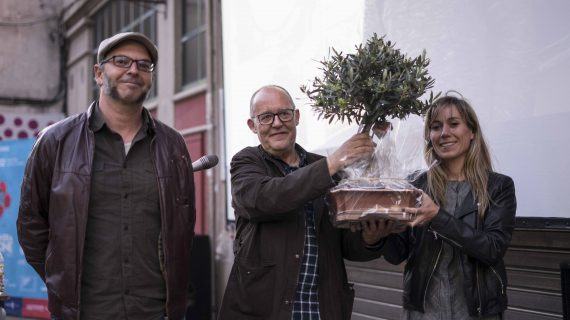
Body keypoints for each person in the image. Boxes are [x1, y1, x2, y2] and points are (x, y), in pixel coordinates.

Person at [17, 32, 196, 320]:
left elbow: (183, 228)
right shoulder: (55, 141)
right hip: (84, 311)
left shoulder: (173, 145)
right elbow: (31, 226)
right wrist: (62, 282)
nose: (133, 70)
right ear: (99, 73)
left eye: (144, 64)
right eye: (121, 61)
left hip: (154, 311)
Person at [218, 85, 398, 320]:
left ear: (296, 117)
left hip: (320, 310)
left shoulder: (326, 168)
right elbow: (266, 198)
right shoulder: (246, 162)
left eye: (284, 113)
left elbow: (344, 245)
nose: (276, 123)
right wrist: (334, 162)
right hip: (265, 310)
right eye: (265, 117)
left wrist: (370, 239)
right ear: (253, 126)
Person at [381, 94, 517, 319]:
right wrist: (378, 234)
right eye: (436, 127)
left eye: (454, 124)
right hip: (424, 313)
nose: (444, 133)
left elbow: (492, 249)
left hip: (476, 313)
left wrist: (436, 216)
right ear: (430, 136)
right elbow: (396, 254)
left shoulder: (498, 187)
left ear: (472, 132)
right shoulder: (416, 186)